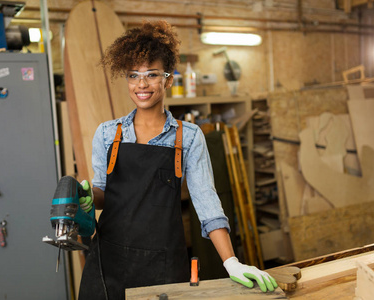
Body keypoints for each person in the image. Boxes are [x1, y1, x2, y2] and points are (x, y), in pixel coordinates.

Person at [77, 20, 278, 300]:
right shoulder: (108, 133)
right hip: (108, 262)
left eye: (152, 75)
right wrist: (88, 196)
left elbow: (207, 203)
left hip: (163, 266)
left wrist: (231, 262)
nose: (142, 84)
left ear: (169, 79)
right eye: (133, 75)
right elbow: (103, 195)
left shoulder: (189, 137)